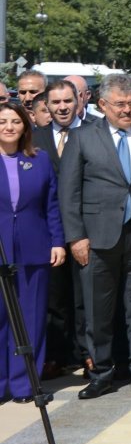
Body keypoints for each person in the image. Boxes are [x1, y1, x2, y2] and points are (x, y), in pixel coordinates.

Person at [57, 73, 131, 397]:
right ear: (102, 104)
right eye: (120, 104)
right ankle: (102, 373)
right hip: (97, 238)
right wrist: (76, 237)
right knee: (97, 311)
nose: (127, 110)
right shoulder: (83, 138)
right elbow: (69, 192)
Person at [0, 101, 66, 404]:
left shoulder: (38, 160)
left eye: (15, 121)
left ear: (25, 127)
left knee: (31, 318)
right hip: (2, 250)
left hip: (34, 248)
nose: (9, 127)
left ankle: (26, 384)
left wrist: (57, 242)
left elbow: (51, 205)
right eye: (3, 121)